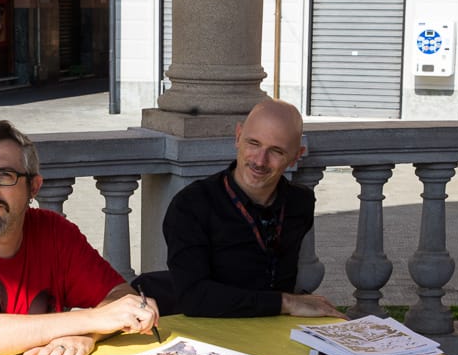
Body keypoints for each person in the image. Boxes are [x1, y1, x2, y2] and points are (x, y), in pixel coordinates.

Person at [0, 120, 159, 355]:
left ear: (34, 187)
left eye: (5, 175)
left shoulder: (55, 232)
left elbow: (119, 297)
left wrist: (85, 336)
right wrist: (92, 320)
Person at [136, 99, 341, 318]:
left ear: (296, 156)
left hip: (269, 325)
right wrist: (285, 302)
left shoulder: (300, 202)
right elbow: (194, 298)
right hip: (197, 327)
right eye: (254, 143)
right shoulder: (192, 205)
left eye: (276, 151)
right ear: (238, 137)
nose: (260, 161)